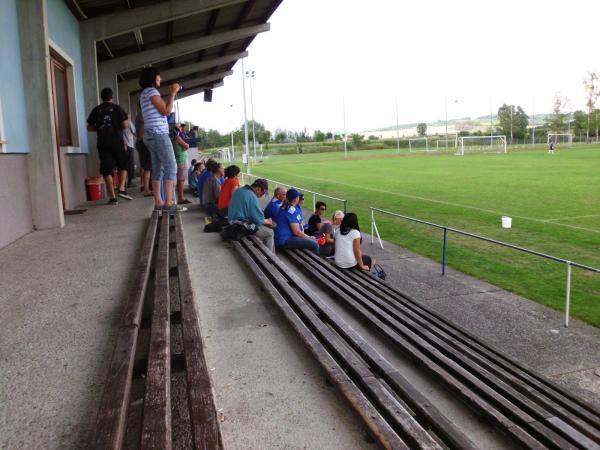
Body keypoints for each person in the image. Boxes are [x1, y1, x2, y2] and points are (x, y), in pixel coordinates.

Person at [138, 66, 185, 212]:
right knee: (171, 166)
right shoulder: (151, 91)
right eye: (159, 76)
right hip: (158, 134)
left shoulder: (144, 93)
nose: (161, 78)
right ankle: (169, 203)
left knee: (157, 168)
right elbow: (166, 111)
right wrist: (172, 93)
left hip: (150, 135)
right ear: (153, 77)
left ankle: (159, 203)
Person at [86, 87, 132, 204]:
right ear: (112, 97)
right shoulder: (118, 109)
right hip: (117, 141)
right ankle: (121, 188)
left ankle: (113, 198)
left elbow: (89, 127)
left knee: (107, 170)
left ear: (102, 97)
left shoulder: (96, 110)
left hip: (103, 143)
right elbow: (125, 125)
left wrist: (101, 127)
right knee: (123, 164)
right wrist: (116, 125)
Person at [228, 178, 274, 252]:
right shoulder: (252, 196)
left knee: (259, 227)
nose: (262, 195)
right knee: (270, 233)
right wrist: (268, 221)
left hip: (231, 221)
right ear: (258, 189)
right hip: (238, 227)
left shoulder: (240, 190)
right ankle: (271, 259)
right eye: (263, 193)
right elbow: (258, 220)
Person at [273, 189, 319, 253]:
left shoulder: (286, 206)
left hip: (280, 238)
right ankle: (315, 262)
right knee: (315, 244)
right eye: (298, 197)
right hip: (283, 240)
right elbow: (297, 232)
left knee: (311, 239)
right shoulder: (290, 211)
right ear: (296, 199)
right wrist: (309, 237)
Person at [134, 105, 152, 196]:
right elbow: (143, 124)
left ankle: (145, 187)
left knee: (145, 167)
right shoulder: (142, 115)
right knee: (148, 168)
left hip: (140, 142)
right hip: (143, 142)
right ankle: (146, 189)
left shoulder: (138, 115)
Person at [172, 123, 191, 205]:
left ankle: (180, 197)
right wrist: (185, 146)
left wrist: (184, 146)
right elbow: (187, 146)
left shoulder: (175, 137)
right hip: (181, 161)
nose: (181, 128)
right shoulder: (177, 137)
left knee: (181, 180)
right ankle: (181, 198)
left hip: (180, 160)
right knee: (181, 180)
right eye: (180, 127)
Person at [122, 113, 136, 187]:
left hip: (123, 145)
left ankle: (123, 184)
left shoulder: (120, 123)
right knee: (130, 164)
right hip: (129, 145)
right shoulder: (129, 122)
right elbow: (134, 132)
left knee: (124, 165)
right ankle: (130, 182)